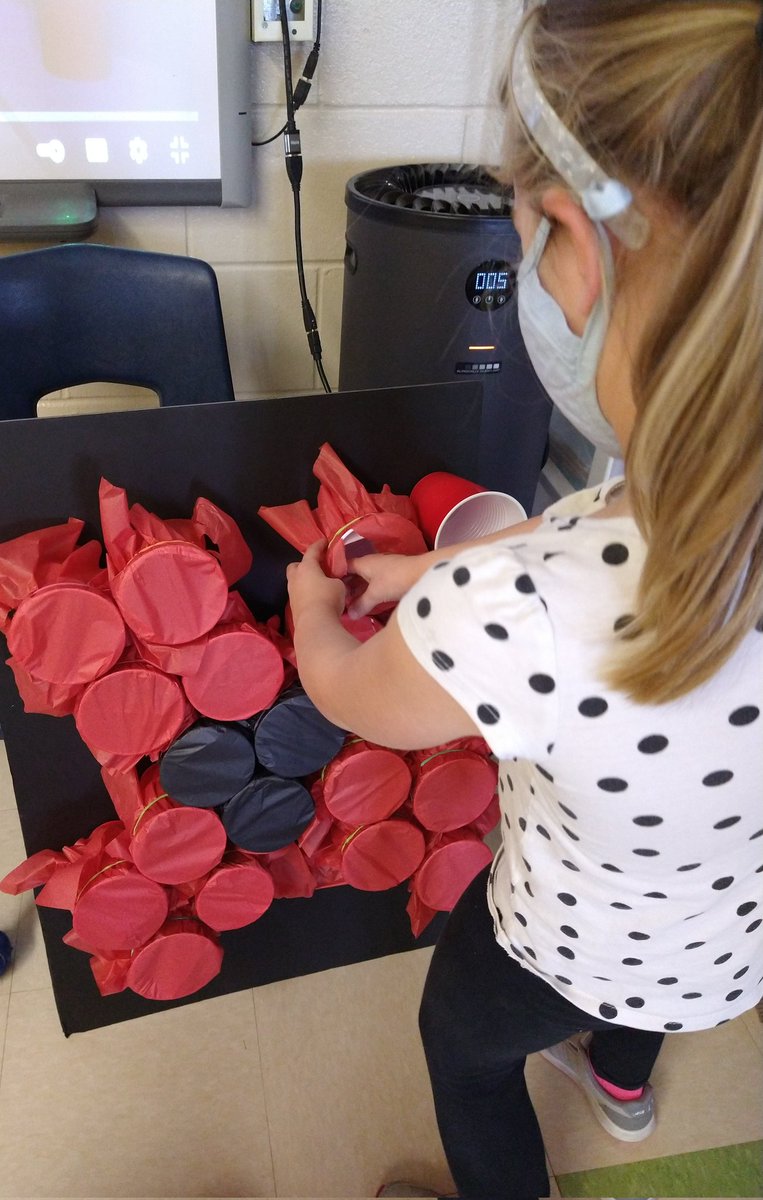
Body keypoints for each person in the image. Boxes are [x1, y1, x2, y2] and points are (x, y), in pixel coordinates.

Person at [286, 1, 763, 1196]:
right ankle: (621, 1082)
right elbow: (586, 543)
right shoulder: (564, 566)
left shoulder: (530, 609)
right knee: (647, 991)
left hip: (564, 940)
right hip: (730, 939)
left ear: (570, 233)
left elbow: (355, 696)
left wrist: (310, 605)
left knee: (461, 1045)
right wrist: (449, 579)